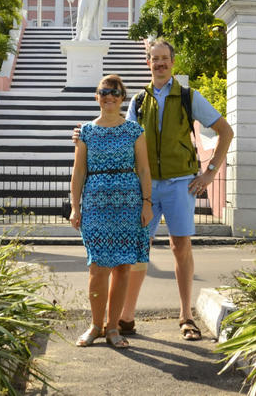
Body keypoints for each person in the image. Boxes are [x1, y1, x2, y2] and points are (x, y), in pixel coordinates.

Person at [73, 39, 234, 341]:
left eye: (165, 58)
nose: (160, 63)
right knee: (137, 252)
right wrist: (84, 134)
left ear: (173, 61)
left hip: (179, 182)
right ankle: (125, 318)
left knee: (180, 248)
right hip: (142, 187)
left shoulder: (188, 96)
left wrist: (210, 173)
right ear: (148, 63)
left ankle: (186, 316)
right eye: (154, 59)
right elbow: (122, 132)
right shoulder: (136, 101)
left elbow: (226, 131)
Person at [69, 74, 154, 349]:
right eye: (104, 91)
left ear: (122, 98)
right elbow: (79, 171)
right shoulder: (86, 132)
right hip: (95, 205)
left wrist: (146, 202)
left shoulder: (134, 130)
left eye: (115, 92)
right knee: (98, 267)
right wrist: (74, 207)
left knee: (122, 267)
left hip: (129, 205)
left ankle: (113, 327)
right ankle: (95, 325)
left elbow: (143, 169)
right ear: (97, 97)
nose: (109, 96)